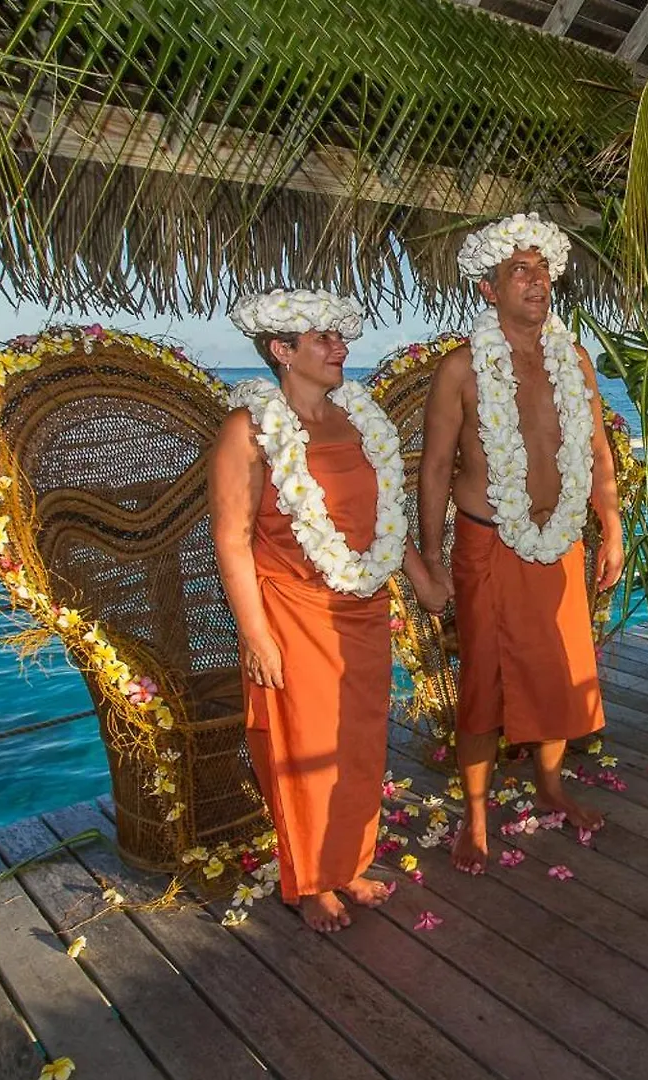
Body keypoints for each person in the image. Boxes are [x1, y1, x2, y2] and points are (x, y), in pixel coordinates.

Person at [210, 288, 447, 933]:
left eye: (340, 338)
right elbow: (231, 539)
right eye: (323, 339)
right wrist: (255, 634)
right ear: (281, 351)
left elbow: (383, 518)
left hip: (363, 607)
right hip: (291, 610)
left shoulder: (358, 418)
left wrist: (420, 575)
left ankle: (349, 862)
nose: (340, 348)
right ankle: (311, 881)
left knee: (361, 739)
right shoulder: (248, 430)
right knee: (304, 748)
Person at [417, 212, 624, 875]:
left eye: (542, 271)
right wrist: (427, 558)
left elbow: (596, 451)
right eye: (519, 272)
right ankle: (475, 815)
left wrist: (612, 525)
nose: (536, 283)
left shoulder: (575, 361)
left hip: (561, 542)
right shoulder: (460, 368)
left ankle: (551, 783)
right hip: (487, 545)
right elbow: (433, 469)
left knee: (561, 671)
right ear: (489, 290)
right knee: (484, 680)